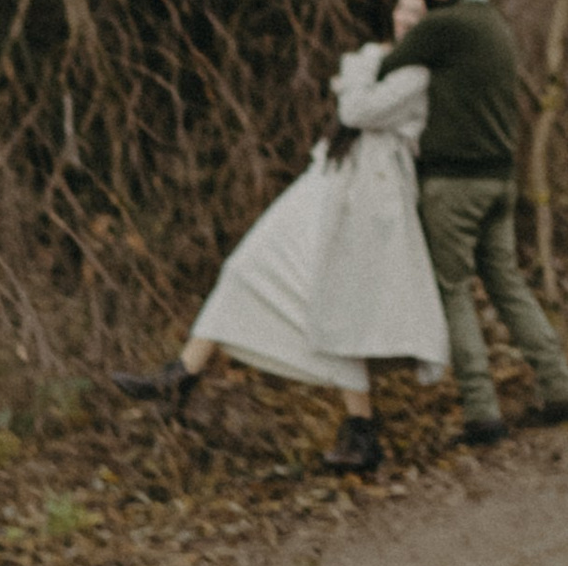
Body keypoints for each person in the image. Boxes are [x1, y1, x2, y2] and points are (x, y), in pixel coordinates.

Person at [113, 38, 449, 475]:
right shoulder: (384, 62)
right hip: (326, 184)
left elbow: (355, 109)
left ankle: (361, 429)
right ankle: (183, 373)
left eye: (415, 15)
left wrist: (361, 65)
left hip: (368, 201)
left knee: (339, 307)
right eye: (400, 11)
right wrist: (364, 65)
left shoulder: (414, 73)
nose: (404, 22)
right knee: (244, 268)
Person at [378, 0, 568, 449]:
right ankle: (561, 390)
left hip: (454, 185)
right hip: (499, 182)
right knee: (507, 284)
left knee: (454, 292)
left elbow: (384, 68)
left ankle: (481, 413)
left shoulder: (446, 26)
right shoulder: (495, 23)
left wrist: (405, 38)